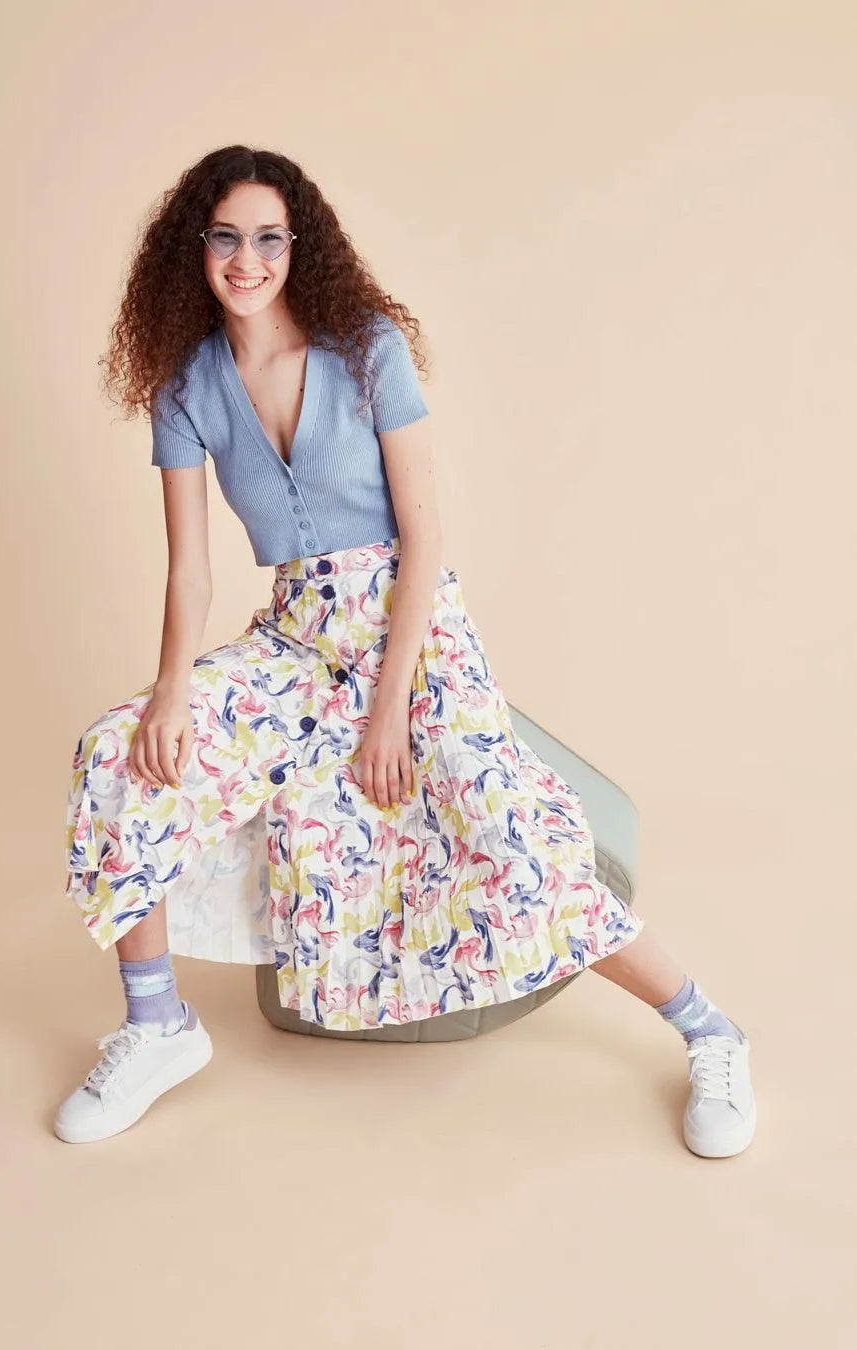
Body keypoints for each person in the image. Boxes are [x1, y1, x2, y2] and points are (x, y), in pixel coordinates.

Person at [55, 145, 756, 1157]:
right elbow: (191, 572)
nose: (247, 260)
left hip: (414, 631)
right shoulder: (185, 388)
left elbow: (424, 539)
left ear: (299, 245)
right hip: (297, 638)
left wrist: (389, 710)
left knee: (510, 835)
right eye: (226, 238)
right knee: (121, 752)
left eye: (268, 238)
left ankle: (709, 1030)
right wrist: (170, 692)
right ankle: (157, 1022)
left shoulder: (366, 348)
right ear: (192, 248)